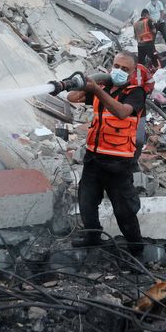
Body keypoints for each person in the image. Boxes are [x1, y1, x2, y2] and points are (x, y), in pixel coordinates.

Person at [67, 51, 148, 255]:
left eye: (124, 69)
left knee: (124, 210)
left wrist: (96, 89)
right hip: (93, 158)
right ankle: (92, 237)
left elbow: (121, 112)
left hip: (118, 163)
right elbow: (72, 97)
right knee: (86, 202)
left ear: (132, 73)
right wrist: (81, 82)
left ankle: (136, 250)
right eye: (116, 66)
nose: (119, 71)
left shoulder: (136, 93)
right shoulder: (102, 87)